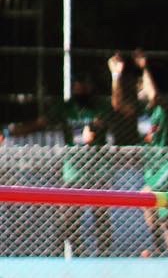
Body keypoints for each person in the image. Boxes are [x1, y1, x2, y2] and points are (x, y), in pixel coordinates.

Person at [0, 69, 113, 256]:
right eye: (77, 85)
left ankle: (105, 258)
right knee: (68, 219)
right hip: (74, 171)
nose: (81, 88)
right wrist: (9, 132)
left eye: (85, 85)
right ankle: (79, 255)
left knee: (101, 219)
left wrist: (92, 129)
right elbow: (39, 124)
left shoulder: (99, 106)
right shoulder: (66, 107)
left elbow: (99, 124)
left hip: (97, 170)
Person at [137, 56, 168, 257]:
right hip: (152, 169)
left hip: (167, 168)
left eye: (143, 84)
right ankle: (162, 250)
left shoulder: (165, 107)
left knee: (165, 216)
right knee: (159, 216)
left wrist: (146, 67)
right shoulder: (146, 112)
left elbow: (154, 95)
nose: (140, 88)